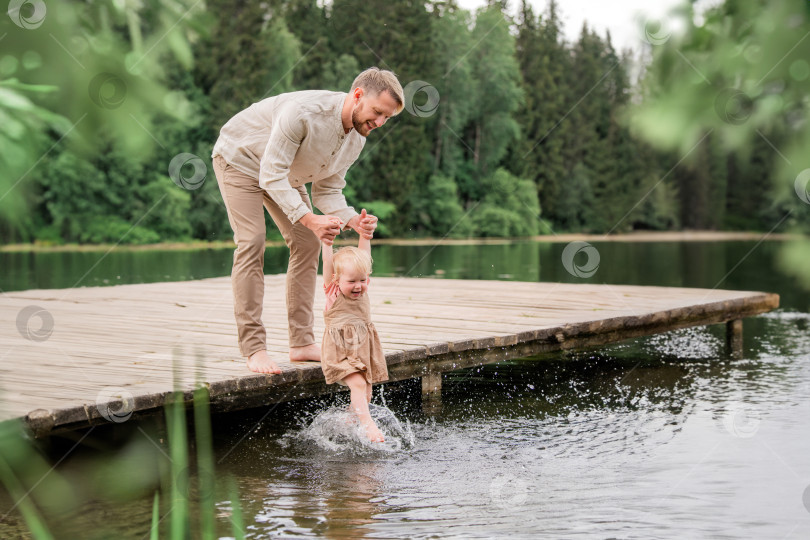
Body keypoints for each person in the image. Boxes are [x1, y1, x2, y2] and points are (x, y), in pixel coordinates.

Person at [211, 68, 404, 373]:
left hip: (284, 175)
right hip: (240, 160)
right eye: (377, 112)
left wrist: (353, 220)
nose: (380, 123)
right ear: (357, 95)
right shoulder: (303, 113)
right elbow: (271, 174)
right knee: (252, 241)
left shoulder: (358, 137)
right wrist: (309, 218)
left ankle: (301, 343)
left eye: (387, 118)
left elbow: (327, 190)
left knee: (307, 242)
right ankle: (254, 348)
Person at [321, 210, 388, 442]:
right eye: (352, 282)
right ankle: (368, 425)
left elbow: (364, 257)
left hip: (362, 347)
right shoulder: (333, 289)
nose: (359, 286)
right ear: (336, 281)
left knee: (366, 392)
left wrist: (364, 234)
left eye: (362, 280)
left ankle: (347, 425)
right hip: (340, 348)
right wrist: (326, 242)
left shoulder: (362, 281)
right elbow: (327, 262)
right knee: (358, 383)